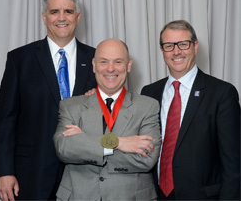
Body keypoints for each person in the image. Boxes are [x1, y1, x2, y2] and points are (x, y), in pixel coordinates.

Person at [0, 0, 97, 201]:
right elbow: (6, 119)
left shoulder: (98, 60)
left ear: (77, 18)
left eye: (68, 11)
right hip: (31, 173)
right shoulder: (19, 60)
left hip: (84, 173)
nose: (61, 18)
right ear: (44, 17)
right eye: (54, 11)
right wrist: (4, 171)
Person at [141, 20, 240, 200]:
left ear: (195, 46)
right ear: (162, 51)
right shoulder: (149, 93)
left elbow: (233, 164)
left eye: (183, 44)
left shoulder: (222, 93)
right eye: (169, 46)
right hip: (156, 195)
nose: (176, 51)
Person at [53, 38, 162, 201]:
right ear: (94, 65)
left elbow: (146, 158)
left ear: (129, 65)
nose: (110, 69)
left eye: (118, 62)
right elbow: (64, 148)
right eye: (103, 62)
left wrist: (84, 141)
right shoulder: (70, 106)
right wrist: (119, 143)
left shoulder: (148, 106)